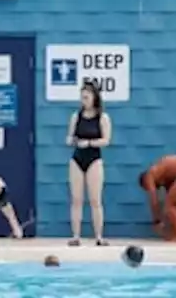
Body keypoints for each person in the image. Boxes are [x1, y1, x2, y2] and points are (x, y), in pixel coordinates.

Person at [67, 81, 112, 246]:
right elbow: (69, 137)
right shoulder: (75, 116)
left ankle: (98, 236)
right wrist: (74, 141)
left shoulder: (102, 117)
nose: (84, 100)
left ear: (94, 98)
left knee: (95, 199)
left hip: (94, 159)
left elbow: (106, 140)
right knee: (77, 199)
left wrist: (90, 143)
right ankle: (76, 236)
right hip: (77, 159)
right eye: (82, 97)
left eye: (87, 96)